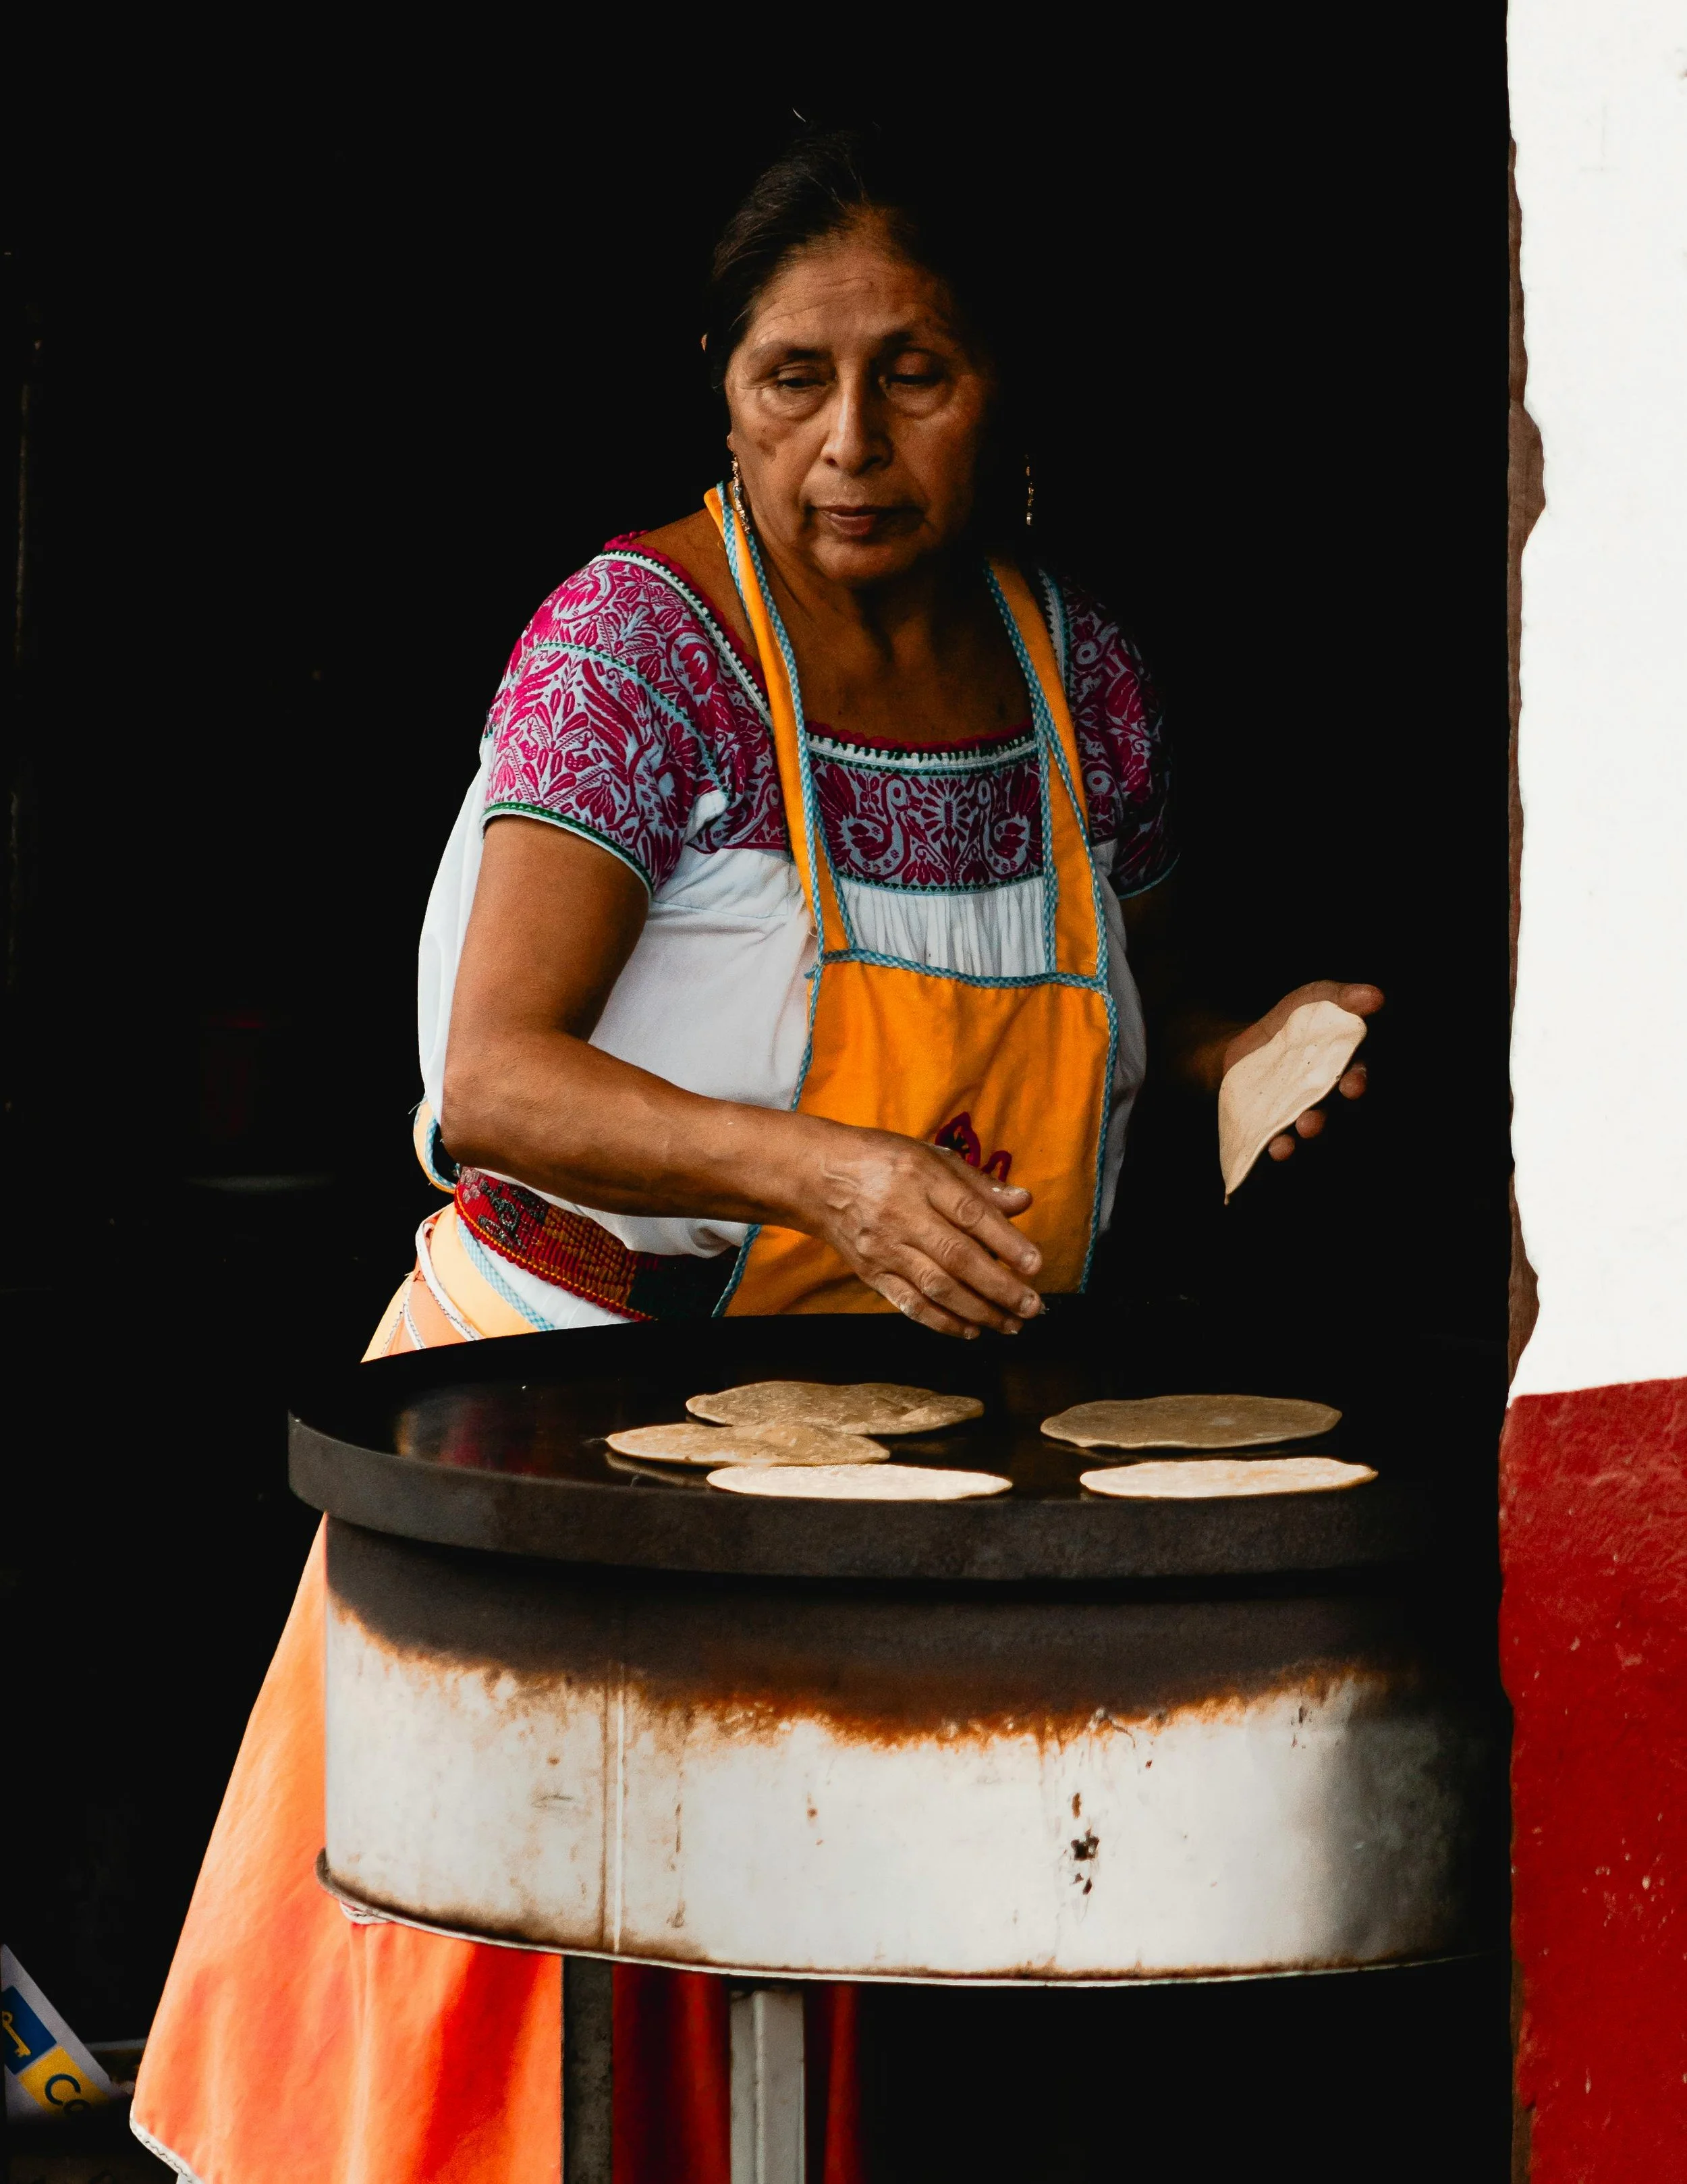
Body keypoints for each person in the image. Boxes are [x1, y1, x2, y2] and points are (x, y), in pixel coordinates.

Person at [133, 128, 1379, 2183]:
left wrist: (1251, 1059)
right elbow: (498, 1080)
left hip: (894, 1491)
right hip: (550, 1453)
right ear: (721, 388)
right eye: (793, 377)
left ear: (1007, 392)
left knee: (803, 2053)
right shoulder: (642, 654)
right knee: (517, 2078)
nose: (852, 442)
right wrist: (831, 1175)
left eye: (918, 371)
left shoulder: (1082, 682)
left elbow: (1110, 1030)